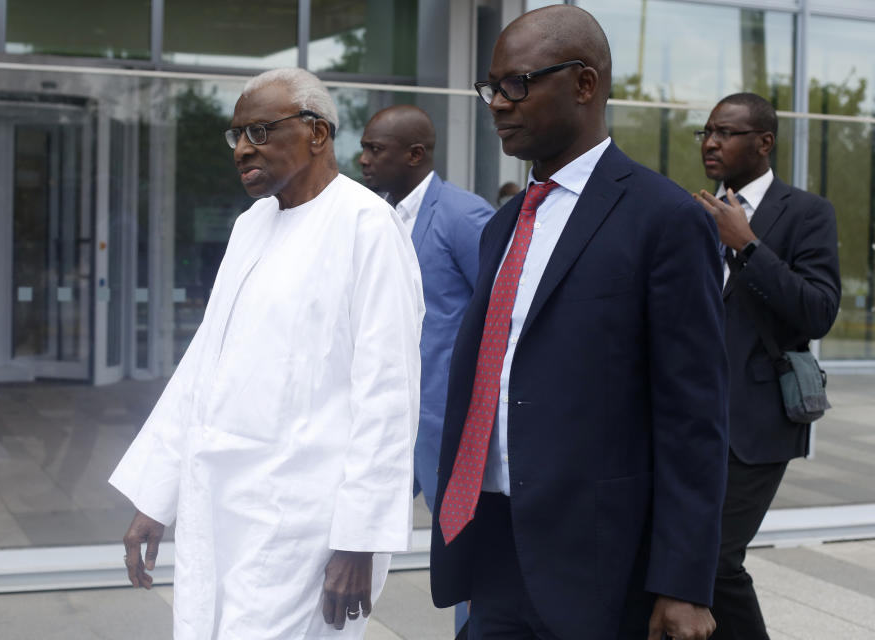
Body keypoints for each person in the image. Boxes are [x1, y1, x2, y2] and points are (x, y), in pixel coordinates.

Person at [429, 6, 729, 640]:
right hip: (493, 541)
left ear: (584, 84)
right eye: (491, 88)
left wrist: (682, 581)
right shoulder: (504, 226)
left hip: (601, 565)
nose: (498, 105)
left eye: (517, 84)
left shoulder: (664, 219)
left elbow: (693, 415)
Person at [109, 68, 425, 640]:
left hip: (302, 523)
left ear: (317, 133)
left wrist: (359, 541)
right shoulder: (252, 225)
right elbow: (204, 365)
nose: (242, 149)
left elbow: (389, 394)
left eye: (259, 130)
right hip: (221, 509)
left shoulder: (367, 228)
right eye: (236, 136)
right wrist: (157, 496)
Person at [692, 93, 841, 640]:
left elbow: (819, 311)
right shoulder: (694, 211)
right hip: (689, 418)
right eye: (706, 132)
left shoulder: (805, 212)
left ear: (764, 142)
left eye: (725, 132)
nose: (711, 142)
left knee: (716, 562)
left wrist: (749, 246)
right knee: (678, 562)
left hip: (755, 424)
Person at [359, 104, 493, 634]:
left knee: (467, 558)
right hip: (390, 421)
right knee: (345, 535)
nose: (363, 158)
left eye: (375, 149)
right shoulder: (375, 217)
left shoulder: (465, 216)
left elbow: (499, 321)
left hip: (446, 429)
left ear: (415, 154)